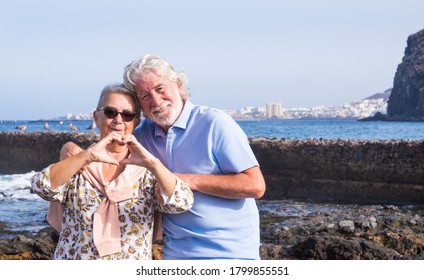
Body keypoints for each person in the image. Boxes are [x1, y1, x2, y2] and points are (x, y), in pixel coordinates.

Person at [123, 54, 266, 259]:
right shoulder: (141, 136)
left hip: (230, 255)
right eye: (145, 96)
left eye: (160, 89)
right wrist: (70, 148)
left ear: (179, 85)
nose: (156, 100)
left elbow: (255, 185)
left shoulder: (214, 123)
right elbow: (105, 153)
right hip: (175, 254)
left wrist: (186, 180)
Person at [30, 83, 194, 260]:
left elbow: (182, 202)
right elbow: (41, 186)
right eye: (110, 112)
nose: (118, 120)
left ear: (136, 122)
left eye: (128, 115)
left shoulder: (147, 171)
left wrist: (153, 163)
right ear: (96, 117)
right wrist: (87, 156)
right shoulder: (78, 164)